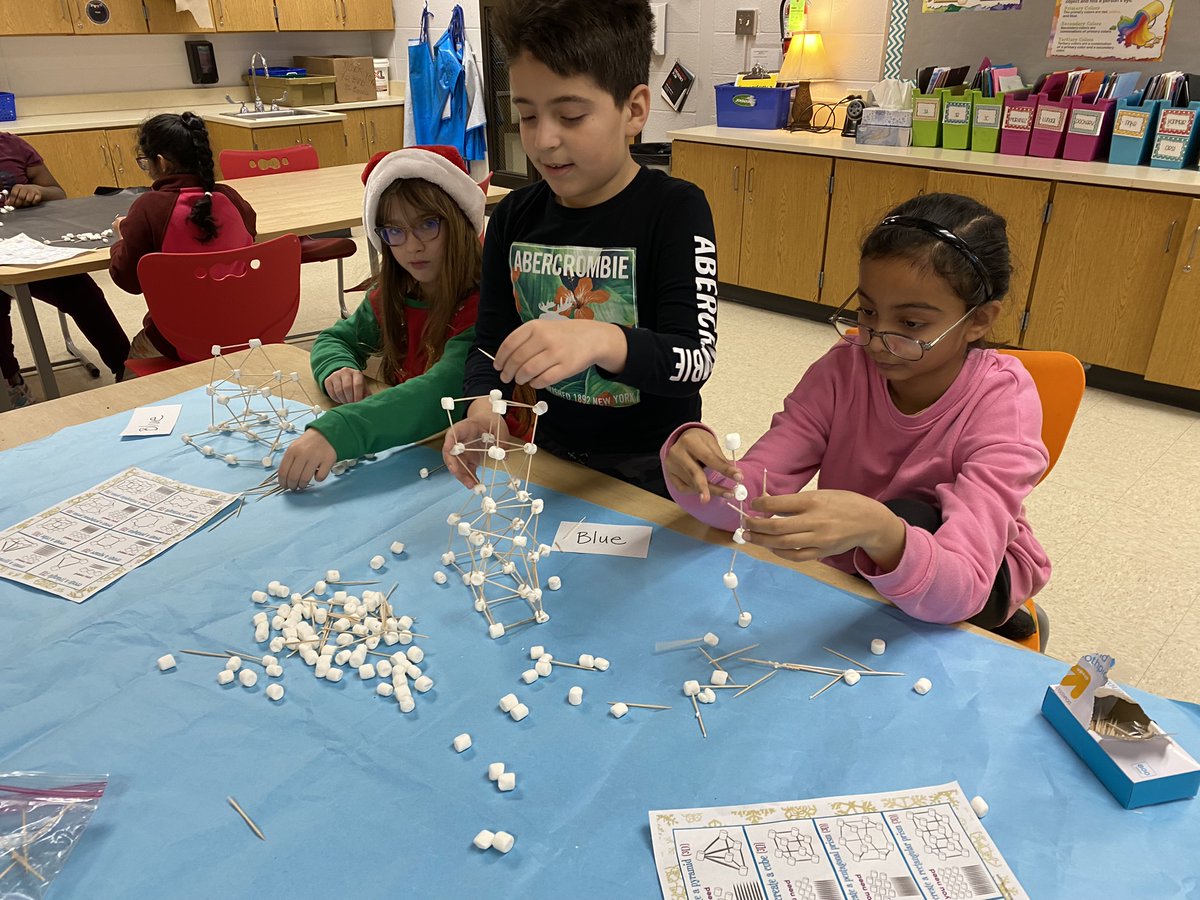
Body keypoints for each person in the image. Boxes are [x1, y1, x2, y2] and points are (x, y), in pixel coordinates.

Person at [662, 193, 1052, 638]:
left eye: (910, 325)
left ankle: (1005, 616)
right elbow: (751, 496)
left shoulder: (1003, 403)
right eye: (867, 312)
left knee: (909, 517)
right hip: (862, 552)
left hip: (975, 574)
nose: (876, 340)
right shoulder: (842, 370)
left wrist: (883, 529)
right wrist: (694, 470)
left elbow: (964, 587)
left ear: (979, 320)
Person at [441, 0, 718, 498]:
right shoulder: (512, 218)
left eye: (570, 115)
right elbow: (490, 343)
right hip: (550, 462)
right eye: (526, 116)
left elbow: (693, 359)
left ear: (633, 110)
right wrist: (484, 407)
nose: (544, 140)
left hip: (655, 472)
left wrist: (601, 340)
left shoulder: (676, 211)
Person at [277, 145, 487, 491]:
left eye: (428, 225)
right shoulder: (394, 294)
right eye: (394, 231)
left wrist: (339, 430)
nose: (412, 246)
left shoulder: (483, 304)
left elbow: (441, 392)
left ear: (460, 223)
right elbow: (335, 339)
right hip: (417, 456)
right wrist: (337, 367)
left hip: (476, 468)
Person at [108, 111, 256, 361]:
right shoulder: (231, 198)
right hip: (244, 329)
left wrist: (122, 237)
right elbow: (247, 242)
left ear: (162, 163)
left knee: (131, 363)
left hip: (176, 338)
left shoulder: (150, 206)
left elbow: (128, 281)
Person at [1, 131, 130, 407]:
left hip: (29, 248)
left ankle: (126, 366)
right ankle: (11, 378)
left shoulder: (12, 145)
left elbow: (57, 192)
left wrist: (37, 191)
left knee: (81, 291)